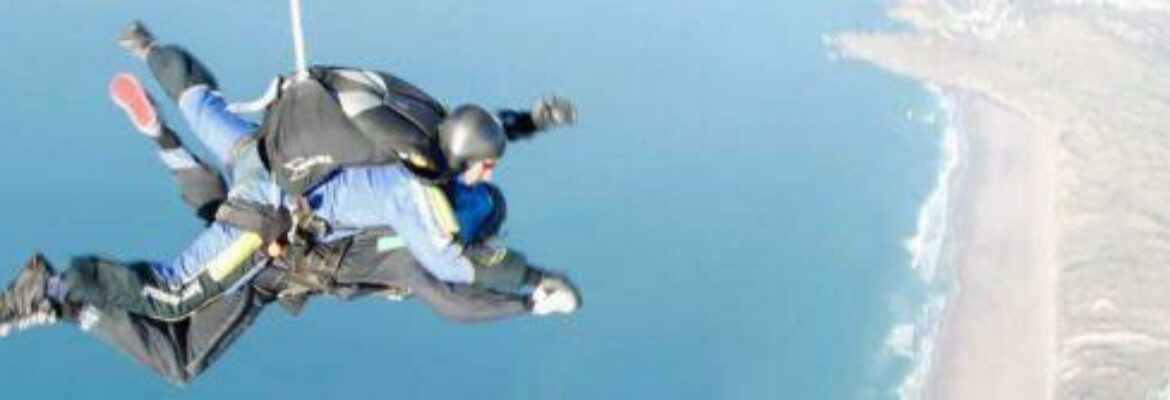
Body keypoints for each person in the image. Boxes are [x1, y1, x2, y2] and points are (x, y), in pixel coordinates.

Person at [0, 21, 580, 336]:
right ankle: (51, 288)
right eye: (484, 171)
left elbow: (484, 129)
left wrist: (533, 120)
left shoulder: (429, 121)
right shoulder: (417, 192)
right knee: (173, 295)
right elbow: (451, 269)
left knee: (200, 100)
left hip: (263, 149)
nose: (484, 175)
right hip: (271, 205)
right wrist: (535, 287)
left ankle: (148, 46)